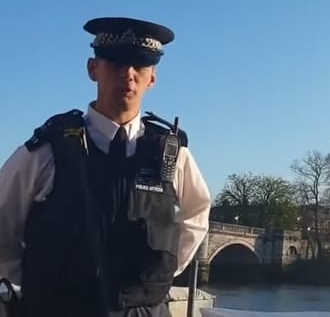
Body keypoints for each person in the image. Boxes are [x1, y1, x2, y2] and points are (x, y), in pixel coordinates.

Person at [0, 17, 212, 317]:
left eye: (140, 66)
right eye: (116, 63)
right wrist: (35, 282)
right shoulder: (48, 150)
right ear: (93, 69)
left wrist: (162, 272)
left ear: (152, 79)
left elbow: (197, 211)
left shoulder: (169, 155)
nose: (128, 74)